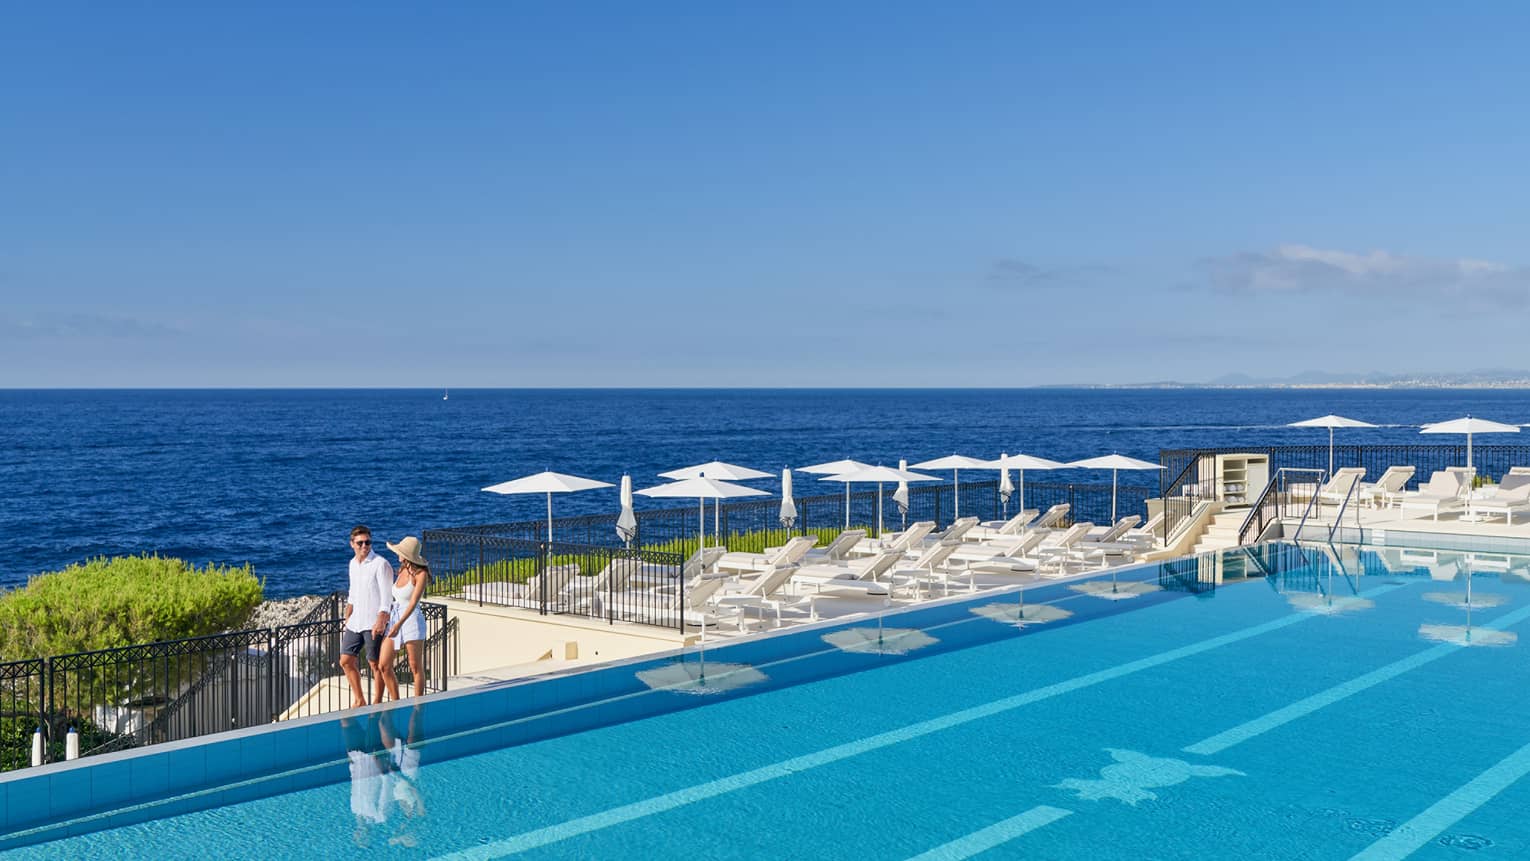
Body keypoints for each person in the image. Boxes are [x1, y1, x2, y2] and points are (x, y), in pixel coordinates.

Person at [340, 524, 394, 708]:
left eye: (368, 542)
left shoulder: (381, 564)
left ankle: (377, 701)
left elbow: (387, 597)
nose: (365, 546)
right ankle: (359, 699)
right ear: (352, 544)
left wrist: (381, 620)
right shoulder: (352, 564)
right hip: (355, 622)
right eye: (360, 543)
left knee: (375, 664)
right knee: (345, 660)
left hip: (373, 622)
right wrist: (347, 614)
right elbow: (353, 592)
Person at [379, 535, 430, 700]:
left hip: (411, 620)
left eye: (400, 552)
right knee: (384, 665)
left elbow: (413, 601)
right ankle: (396, 702)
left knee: (415, 666)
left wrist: (399, 624)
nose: (397, 554)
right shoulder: (401, 570)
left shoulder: (420, 574)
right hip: (396, 618)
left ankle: (418, 705)